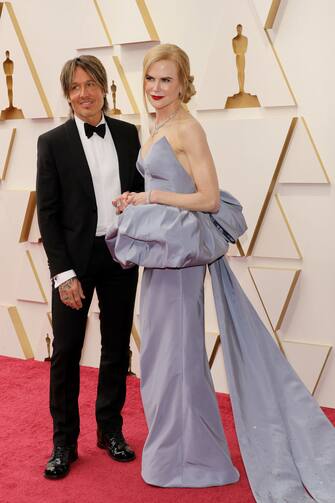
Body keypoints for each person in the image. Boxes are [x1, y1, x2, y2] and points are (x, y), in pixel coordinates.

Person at [107, 44, 335, 500]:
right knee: (160, 360)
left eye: (166, 80)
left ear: (183, 82)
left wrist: (150, 199)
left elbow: (208, 199)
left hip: (180, 259)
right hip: (161, 255)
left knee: (175, 360)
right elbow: (171, 183)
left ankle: (193, 459)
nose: (156, 88)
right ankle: (178, 452)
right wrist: (136, 197)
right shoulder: (158, 124)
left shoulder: (189, 127)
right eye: (151, 79)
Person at [36, 55, 143, 480]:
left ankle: (110, 430)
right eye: (76, 86)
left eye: (91, 84)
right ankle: (64, 443)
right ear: (67, 94)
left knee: (116, 348)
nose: (84, 93)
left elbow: (140, 194)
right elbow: (48, 212)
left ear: (103, 86)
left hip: (120, 256)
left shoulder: (130, 134)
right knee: (65, 352)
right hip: (74, 264)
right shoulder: (52, 142)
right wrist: (63, 275)